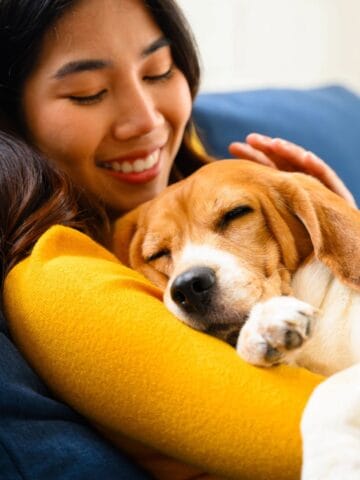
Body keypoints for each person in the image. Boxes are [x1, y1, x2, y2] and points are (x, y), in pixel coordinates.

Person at [0, 0, 355, 479]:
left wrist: (337, 226)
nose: (146, 120)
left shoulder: (231, 180)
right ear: (12, 118)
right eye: (88, 92)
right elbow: (309, 441)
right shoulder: (58, 277)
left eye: (158, 71)